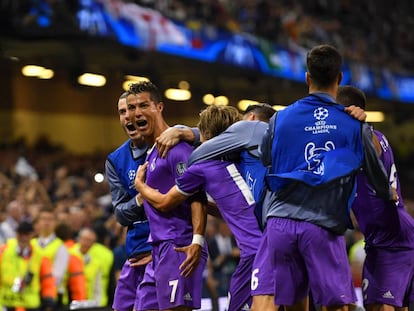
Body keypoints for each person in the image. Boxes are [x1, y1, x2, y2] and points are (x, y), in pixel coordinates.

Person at [259, 44, 394, 311]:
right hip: (320, 224)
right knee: (338, 306)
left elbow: (266, 159)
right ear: (340, 78)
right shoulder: (354, 124)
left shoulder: (279, 119)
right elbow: (379, 181)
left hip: (280, 224)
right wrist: (389, 194)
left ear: (307, 77)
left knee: (296, 304)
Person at [136, 104, 264, 311]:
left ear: (204, 134)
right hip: (275, 238)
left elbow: (165, 202)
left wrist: (140, 186)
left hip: (254, 252)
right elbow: (231, 207)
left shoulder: (201, 167)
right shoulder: (247, 157)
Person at [105, 91, 201, 311]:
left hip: (168, 248)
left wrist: (185, 131)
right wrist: (143, 194)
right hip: (137, 254)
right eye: (123, 112)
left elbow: (210, 135)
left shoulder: (174, 143)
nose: (130, 116)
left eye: (136, 109)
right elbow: (120, 214)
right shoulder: (115, 160)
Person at [337, 85, 414, 311]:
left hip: (391, 239)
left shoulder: (367, 138)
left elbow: (369, 145)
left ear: (348, 110)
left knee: (379, 307)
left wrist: (357, 122)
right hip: (387, 237)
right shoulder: (365, 140)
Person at [0, 220, 57, 311]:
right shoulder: (4, 252)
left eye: (26, 234)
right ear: (16, 234)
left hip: (30, 305)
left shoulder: (39, 256)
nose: (23, 238)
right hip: (7, 303)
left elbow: (48, 281)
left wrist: (48, 302)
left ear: (32, 235)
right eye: (20, 234)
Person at [31, 206, 70, 309]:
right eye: (43, 219)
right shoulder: (32, 244)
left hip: (53, 297)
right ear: (38, 222)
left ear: (55, 223)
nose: (46, 222)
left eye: (50, 219)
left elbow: (57, 276)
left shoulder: (60, 246)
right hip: (32, 294)